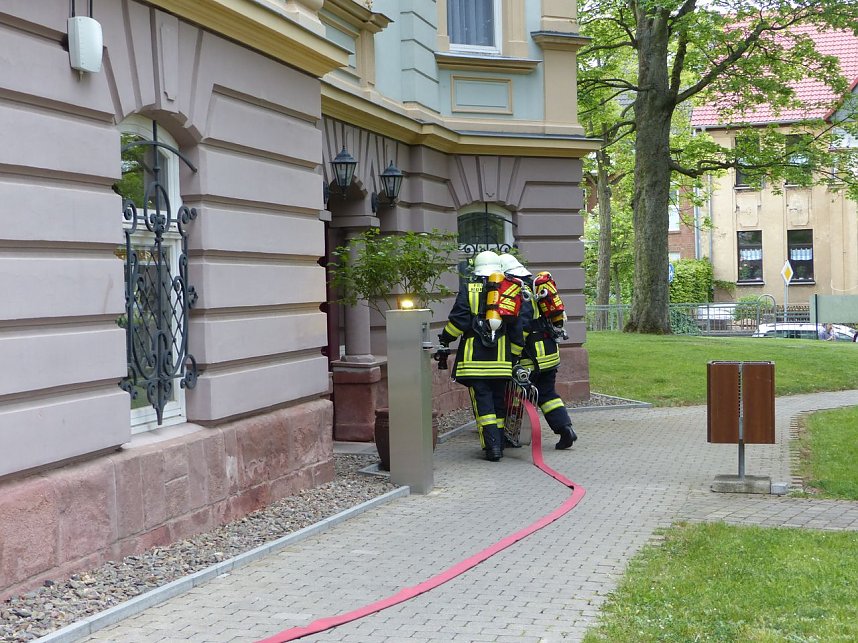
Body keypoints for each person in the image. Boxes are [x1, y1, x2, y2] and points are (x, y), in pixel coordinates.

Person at [437, 251, 526, 462]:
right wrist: (513, 356)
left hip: (474, 360)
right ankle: (500, 443)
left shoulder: (469, 289)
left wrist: (445, 339)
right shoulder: (508, 291)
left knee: (483, 403)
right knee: (498, 402)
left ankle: (492, 447)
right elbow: (516, 326)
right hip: (501, 360)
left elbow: (459, 322)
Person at [499, 253, 577, 450]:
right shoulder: (536, 285)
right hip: (548, 352)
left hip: (528, 356)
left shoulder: (517, 289)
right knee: (548, 394)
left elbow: (521, 327)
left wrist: (513, 356)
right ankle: (565, 428)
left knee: (517, 395)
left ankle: (512, 435)